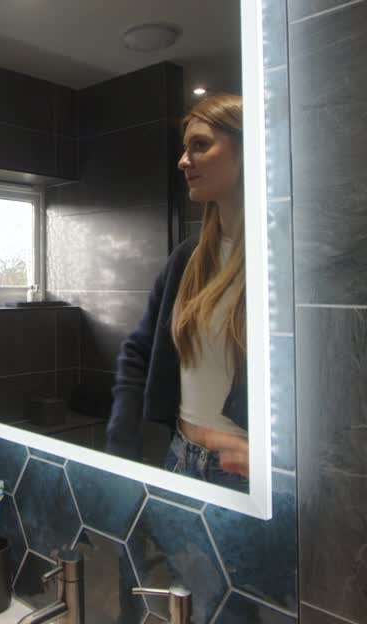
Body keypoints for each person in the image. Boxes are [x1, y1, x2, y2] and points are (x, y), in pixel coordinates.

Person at [105, 93, 249, 491]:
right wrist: (121, 445)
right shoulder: (188, 258)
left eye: (200, 146)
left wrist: (280, 457)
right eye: (185, 149)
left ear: (247, 147)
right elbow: (139, 351)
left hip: (239, 475)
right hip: (178, 457)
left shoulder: (278, 261)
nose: (183, 161)